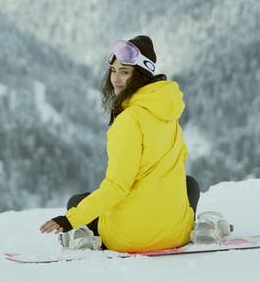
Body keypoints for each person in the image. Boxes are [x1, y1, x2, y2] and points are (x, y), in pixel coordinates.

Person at [39, 35, 200, 252]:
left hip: (129, 239)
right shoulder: (168, 113)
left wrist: (70, 220)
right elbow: (179, 162)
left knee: (77, 201)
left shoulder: (129, 120)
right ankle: (196, 226)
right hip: (176, 234)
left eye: (124, 72)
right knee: (190, 184)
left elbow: (117, 186)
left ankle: (82, 236)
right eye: (113, 71)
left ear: (141, 75)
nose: (116, 78)